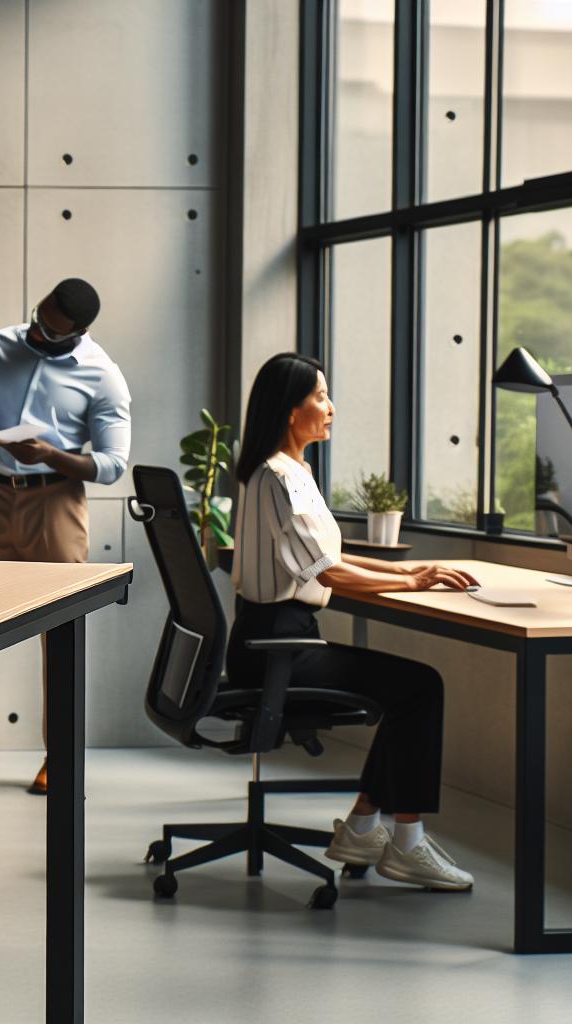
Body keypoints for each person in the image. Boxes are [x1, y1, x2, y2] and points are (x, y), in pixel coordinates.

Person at [227, 353, 476, 891]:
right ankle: (405, 843)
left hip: (275, 639)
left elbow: (329, 557)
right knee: (418, 687)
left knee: (407, 689)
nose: (331, 407)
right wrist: (413, 583)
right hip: (276, 649)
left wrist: (411, 570)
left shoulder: (284, 472)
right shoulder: (280, 478)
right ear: (290, 411)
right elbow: (329, 571)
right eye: (320, 396)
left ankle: (364, 828)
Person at [0, 278, 128, 796]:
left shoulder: (103, 376)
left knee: (59, 631)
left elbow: (112, 464)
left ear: (77, 332)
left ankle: (60, 755)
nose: (36, 333)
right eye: (37, 318)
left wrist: (52, 454)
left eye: (50, 332)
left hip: (56, 504)